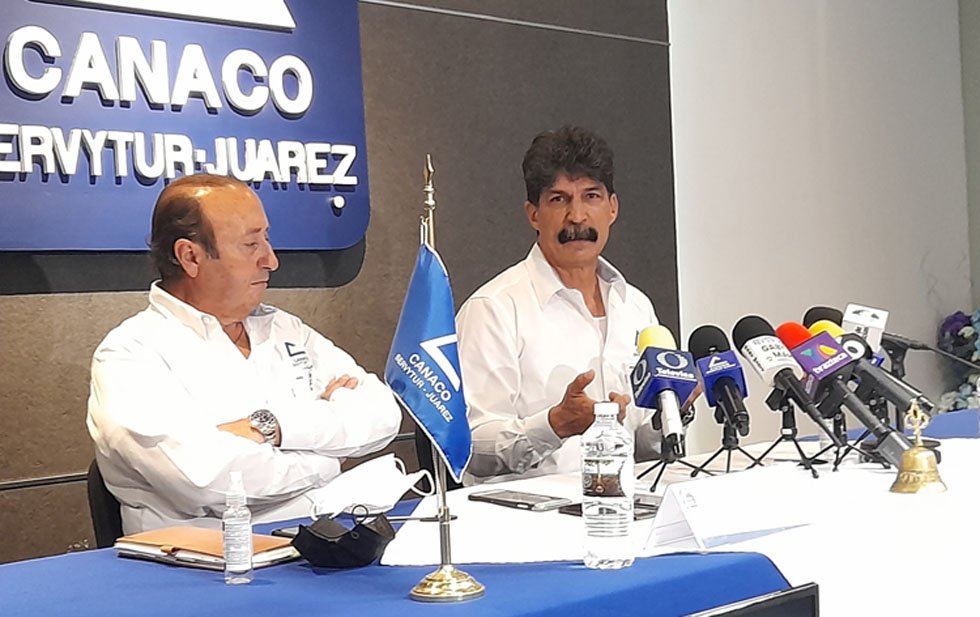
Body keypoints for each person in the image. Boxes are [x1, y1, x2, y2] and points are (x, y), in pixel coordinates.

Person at [87, 174, 401, 534]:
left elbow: (382, 415)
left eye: (266, 239)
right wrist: (330, 458)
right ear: (191, 256)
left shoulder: (284, 328)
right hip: (209, 557)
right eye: (251, 244)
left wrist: (274, 427)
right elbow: (205, 479)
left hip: (323, 540)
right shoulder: (130, 354)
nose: (271, 260)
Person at [456, 126, 661, 484]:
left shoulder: (636, 306)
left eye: (591, 197)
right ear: (533, 214)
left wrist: (671, 411)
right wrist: (555, 426)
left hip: (621, 504)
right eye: (559, 200)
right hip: (524, 513)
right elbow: (471, 445)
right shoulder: (494, 309)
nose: (577, 217)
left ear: (612, 208)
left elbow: (643, 444)